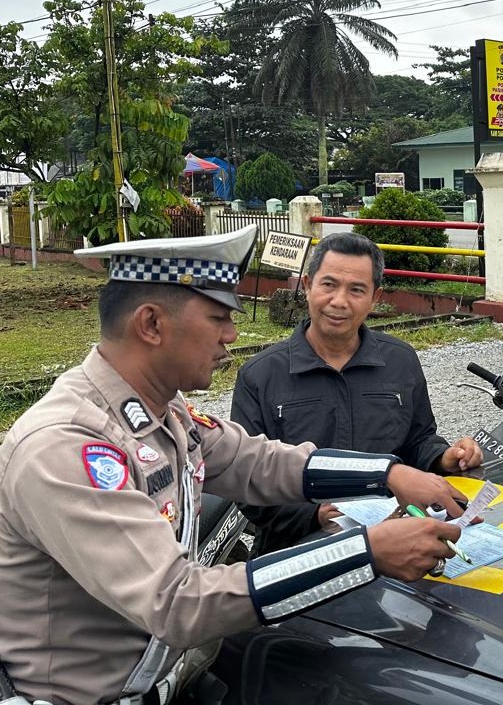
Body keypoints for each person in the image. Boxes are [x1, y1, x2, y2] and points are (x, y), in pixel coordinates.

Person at [0, 226, 465, 705]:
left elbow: (254, 460)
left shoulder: (164, 410)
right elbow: (178, 602)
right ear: (152, 325)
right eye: (219, 317)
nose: (232, 335)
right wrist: (364, 552)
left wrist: (387, 473)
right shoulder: (65, 446)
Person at [232, 232, 483, 555]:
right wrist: (315, 514)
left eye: (356, 290)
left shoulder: (400, 361)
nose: (339, 301)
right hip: (296, 553)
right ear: (307, 285)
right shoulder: (260, 375)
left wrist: (443, 457)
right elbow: (246, 484)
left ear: (375, 297)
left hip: (395, 543)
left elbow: (418, 439)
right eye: (328, 285)